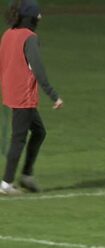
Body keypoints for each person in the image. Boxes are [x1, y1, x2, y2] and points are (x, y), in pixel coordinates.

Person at [0, 0, 62, 195]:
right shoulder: (30, 37)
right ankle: (6, 183)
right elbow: (38, 69)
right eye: (38, 14)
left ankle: (26, 176)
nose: (40, 17)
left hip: (11, 92)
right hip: (23, 96)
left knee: (39, 132)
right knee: (18, 139)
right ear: (30, 17)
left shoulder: (8, 34)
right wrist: (53, 95)